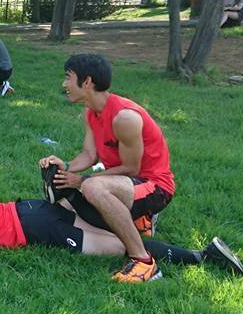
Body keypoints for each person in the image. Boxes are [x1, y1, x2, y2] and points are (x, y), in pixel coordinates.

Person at [0, 170, 243, 277]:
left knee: (117, 247)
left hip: (36, 229)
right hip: (31, 209)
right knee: (114, 235)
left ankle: (201, 257)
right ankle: (147, 222)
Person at [39, 54, 177, 283]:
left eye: (68, 77)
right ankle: (138, 221)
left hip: (155, 186)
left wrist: (83, 180)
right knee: (66, 206)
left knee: (92, 188)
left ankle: (144, 262)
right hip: (126, 183)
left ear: (87, 82)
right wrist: (65, 166)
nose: (64, 84)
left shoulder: (125, 118)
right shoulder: (90, 113)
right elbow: (89, 154)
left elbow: (132, 169)